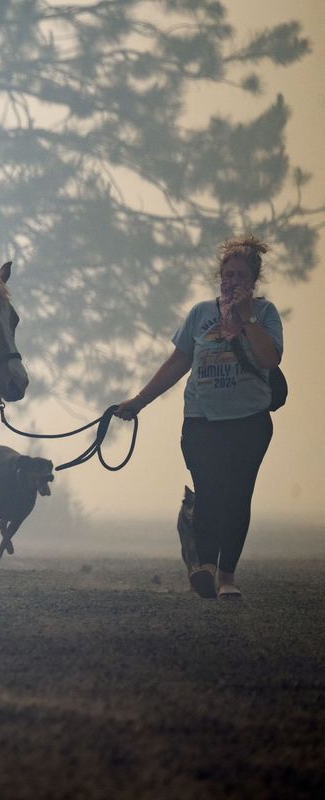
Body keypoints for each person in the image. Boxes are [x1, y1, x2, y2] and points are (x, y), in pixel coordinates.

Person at [115, 235, 283, 600]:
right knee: (207, 492)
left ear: (253, 279)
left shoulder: (265, 314)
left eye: (240, 275)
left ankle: (227, 576)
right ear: (219, 276)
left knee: (238, 496)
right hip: (201, 420)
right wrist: (139, 401)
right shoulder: (200, 314)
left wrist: (247, 317)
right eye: (228, 274)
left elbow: (270, 359)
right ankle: (204, 566)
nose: (232, 281)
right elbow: (177, 362)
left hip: (249, 421)